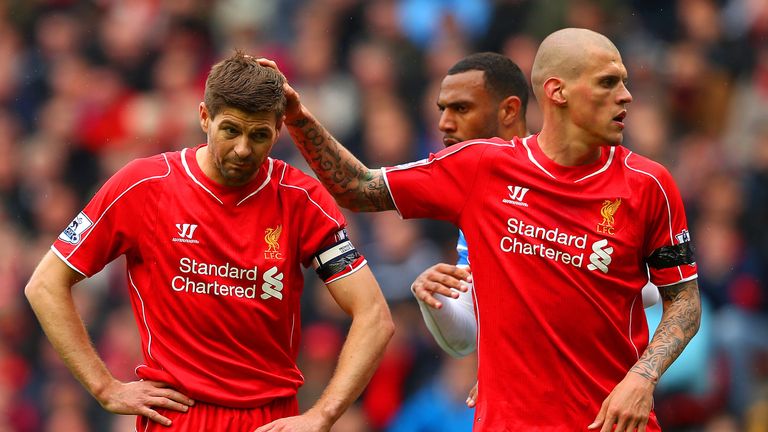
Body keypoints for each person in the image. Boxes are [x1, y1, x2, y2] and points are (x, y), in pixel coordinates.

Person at [265, 27, 702, 431]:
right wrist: (298, 116)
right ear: (557, 92)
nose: (626, 96)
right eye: (609, 82)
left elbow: (684, 301)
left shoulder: (649, 186)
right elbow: (357, 187)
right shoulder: (482, 167)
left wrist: (642, 378)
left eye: (623, 82)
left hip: (611, 423)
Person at [24, 52, 394, 431]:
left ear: (278, 130)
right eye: (231, 130)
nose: (243, 149)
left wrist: (322, 415)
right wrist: (104, 387)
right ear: (204, 117)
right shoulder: (144, 186)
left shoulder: (301, 199)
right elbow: (45, 284)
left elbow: (375, 316)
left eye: (260, 134)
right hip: (179, 416)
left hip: (270, 419)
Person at [409, 51, 661, 408]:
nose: (444, 124)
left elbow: (649, 290)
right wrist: (433, 301)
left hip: (600, 405)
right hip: (528, 407)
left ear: (510, 111)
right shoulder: (480, 195)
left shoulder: (575, 173)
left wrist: (540, 352)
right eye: (442, 110)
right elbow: (467, 338)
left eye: (461, 109)